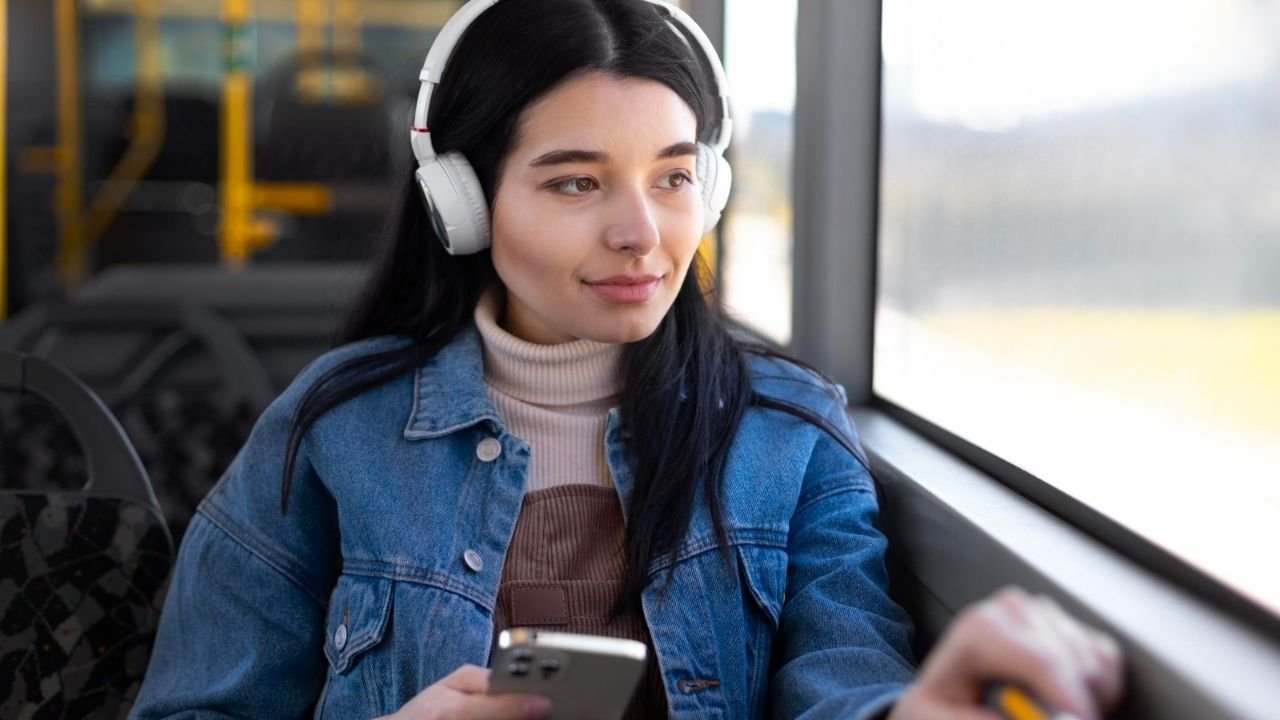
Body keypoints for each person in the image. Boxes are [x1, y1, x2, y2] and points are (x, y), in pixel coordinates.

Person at [131, 1, 1125, 718]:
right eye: (576, 183)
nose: (643, 235)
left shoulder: (788, 435)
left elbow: (844, 681)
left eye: (674, 178)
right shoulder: (335, 430)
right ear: (462, 202)